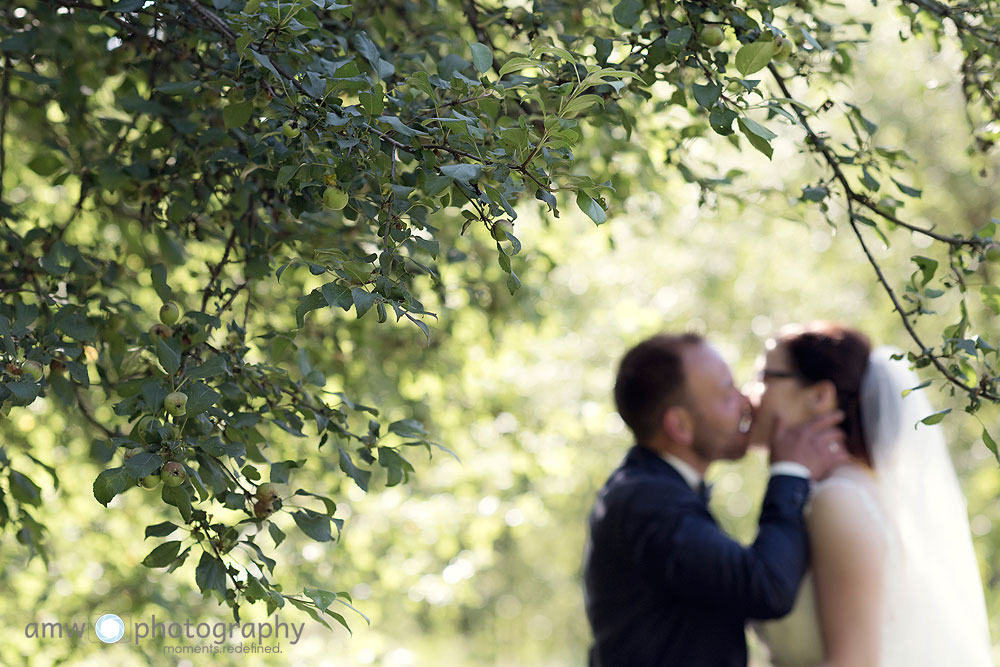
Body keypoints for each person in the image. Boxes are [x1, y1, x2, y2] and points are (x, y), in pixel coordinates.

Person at [583, 333, 849, 666]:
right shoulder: (647, 502)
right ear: (680, 424)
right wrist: (790, 471)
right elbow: (767, 588)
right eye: (727, 392)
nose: (745, 401)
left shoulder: (652, 489)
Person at [751, 322, 993, 666]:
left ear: (819, 395)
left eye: (763, 377)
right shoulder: (848, 491)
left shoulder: (838, 500)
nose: (748, 393)